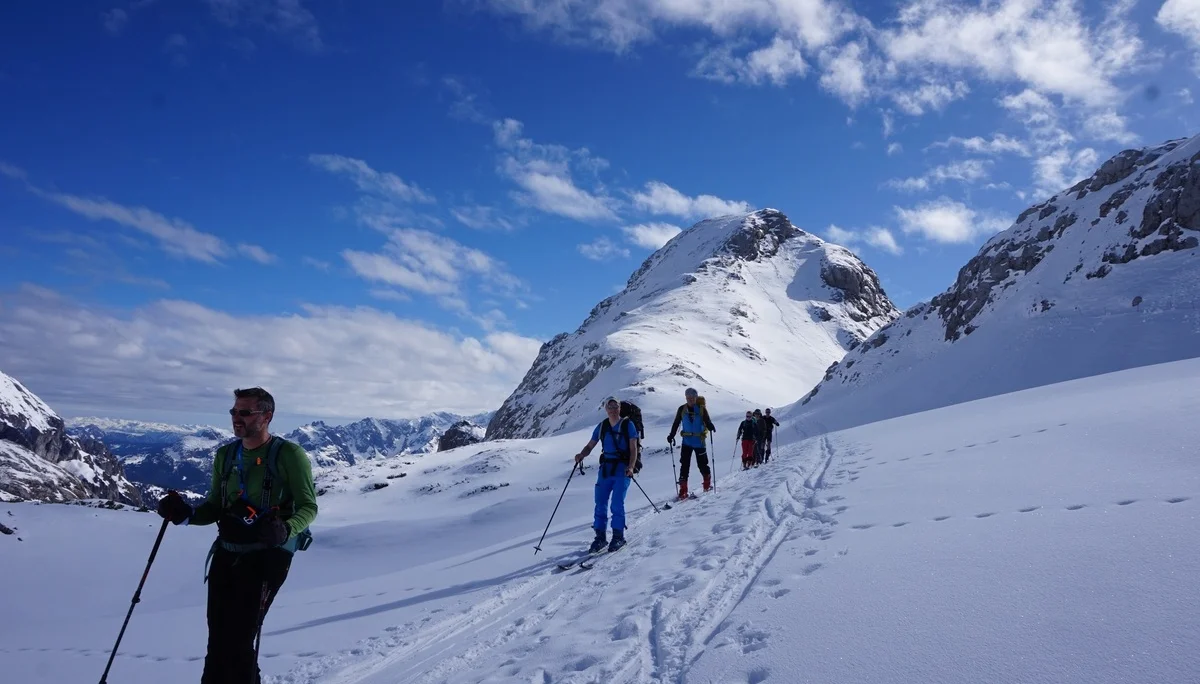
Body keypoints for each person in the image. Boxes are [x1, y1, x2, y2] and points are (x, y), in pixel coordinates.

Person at [155, 387, 318, 684]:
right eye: (234, 411)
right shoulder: (226, 455)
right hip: (227, 552)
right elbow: (215, 506)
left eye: (245, 412)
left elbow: (309, 506)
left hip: (267, 555)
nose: (236, 418)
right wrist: (185, 514)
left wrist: (286, 529)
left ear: (267, 416)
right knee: (218, 639)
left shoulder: (289, 455)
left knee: (239, 641)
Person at [575, 396, 640, 553]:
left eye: (615, 406)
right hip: (605, 469)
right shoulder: (602, 426)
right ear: (606, 409)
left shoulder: (628, 425)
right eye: (610, 407)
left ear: (619, 408)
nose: (613, 410)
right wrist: (581, 455)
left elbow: (633, 449)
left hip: (622, 469)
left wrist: (631, 467)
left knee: (617, 503)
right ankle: (600, 537)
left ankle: (618, 536)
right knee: (600, 502)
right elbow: (590, 445)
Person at [667, 387, 716, 499]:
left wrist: (710, 426)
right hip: (687, 442)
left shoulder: (702, 409)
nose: (690, 399)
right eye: (688, 397)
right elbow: (676, 423)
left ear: (696, 397)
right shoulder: (682, 409)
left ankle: (706, 484)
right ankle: (683, 490)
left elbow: (707, 421)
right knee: (684, 465)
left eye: (692, 397)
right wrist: (671, 435)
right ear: (686, 397)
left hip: (699, 441)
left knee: (702, 464)